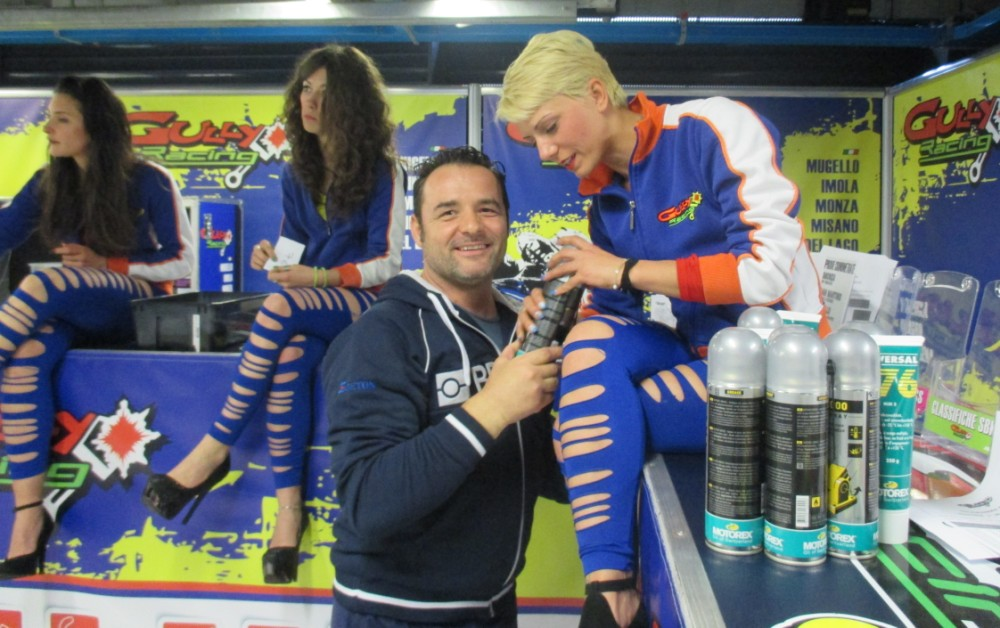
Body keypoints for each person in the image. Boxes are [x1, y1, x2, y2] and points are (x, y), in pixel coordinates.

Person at [497, 30, 830, 628]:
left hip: (784, 377)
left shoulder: (712, 126)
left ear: (596, 93)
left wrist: (622, 270)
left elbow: (766, 273)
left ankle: (611, 597)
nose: (544, 151)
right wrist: (559, 309)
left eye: (549, 127)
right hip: (697, 359)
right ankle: (609, 588)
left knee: (593, 417)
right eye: (533, 139)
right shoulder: (606, 200)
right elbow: (617, 316)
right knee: (587, 349)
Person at [141, 45, 407, 584]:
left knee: (282, 305)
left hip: (367, 307)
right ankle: (289, 515)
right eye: (305, 88)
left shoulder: (383, 170)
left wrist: (318, 278)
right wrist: (274, 258)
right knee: (288, 362)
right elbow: (295, 248)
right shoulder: (296, 172)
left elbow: (388, 262)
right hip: (312, 307)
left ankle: (213, 449)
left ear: (351, 104)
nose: (310, 100)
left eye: (325, 93)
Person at [323, 146, 567, 627]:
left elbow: (538, 470)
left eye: (487, 209)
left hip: (493, 607)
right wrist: (494, 405)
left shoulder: (518, 326)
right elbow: (367, 502)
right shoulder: (381, 335)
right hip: (394, 614)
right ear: (417, 230)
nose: (471, 226)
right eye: (448, 212)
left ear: (506, 222)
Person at [0, 75, 195, 579]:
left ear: (95, 127)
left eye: (61, 119)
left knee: (46, 283)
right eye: (49, 118)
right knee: (22, 362)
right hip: (75, 312)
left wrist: (107, 265)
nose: (48, 128)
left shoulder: (149, 179)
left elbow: (181, 262)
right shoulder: (49, 182)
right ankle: (29, 520)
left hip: (137, 305)